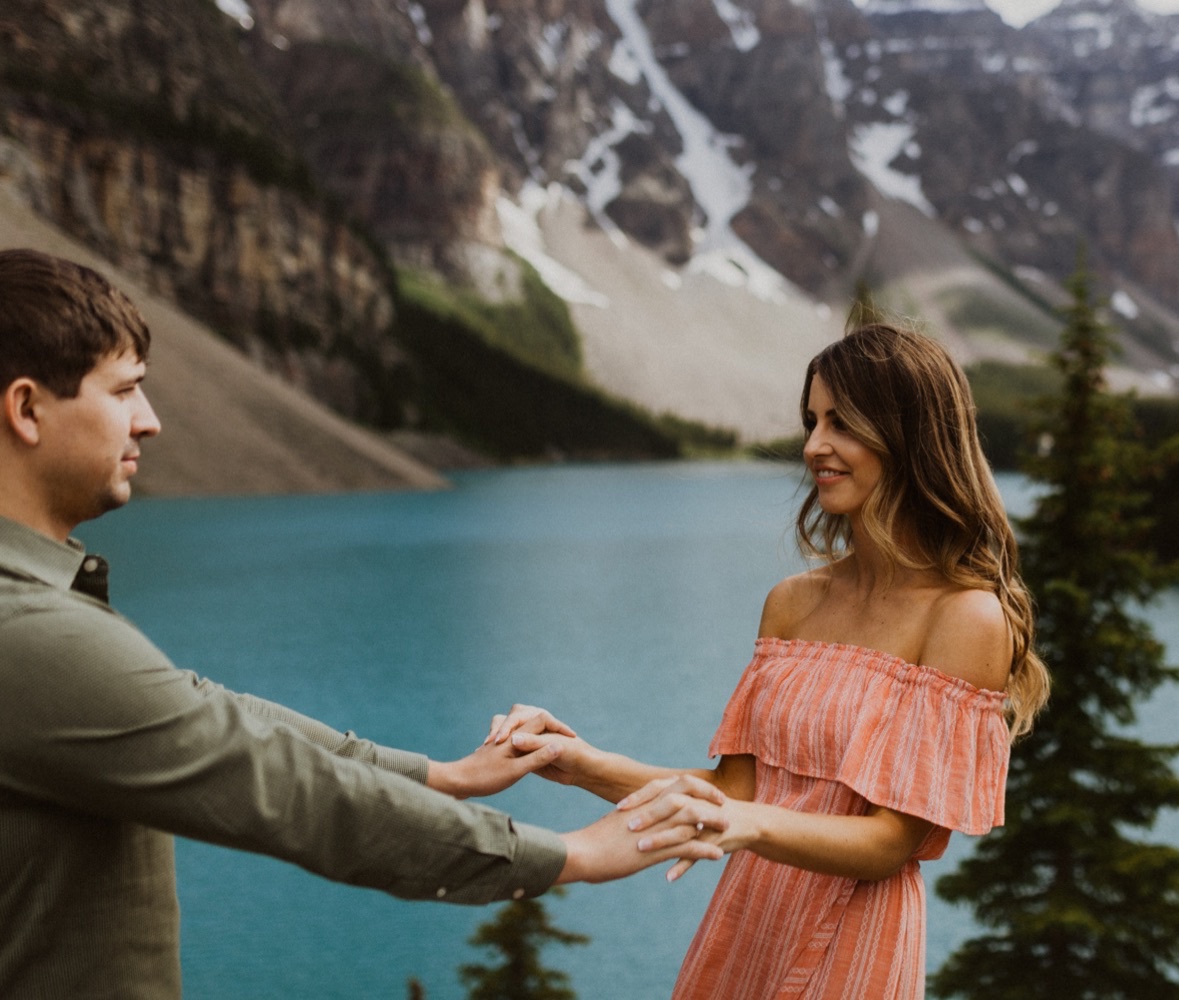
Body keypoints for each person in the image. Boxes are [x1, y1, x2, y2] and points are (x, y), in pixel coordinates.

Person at [0, 247, 727, 1000]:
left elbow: (207, 713)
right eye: (125, 392)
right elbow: (281, 786)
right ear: (26, 409)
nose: (149, 423)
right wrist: (569, 854)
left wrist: (444, 777)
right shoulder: (22, 629)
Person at [490, 321, 1051, 998]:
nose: (815, 446)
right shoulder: (792, 602)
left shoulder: (964, 617)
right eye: (811, 421)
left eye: (843, 423)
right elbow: (735, 795)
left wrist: (745, 824)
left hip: (853, 935)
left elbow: (888, 843)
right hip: (748, 916)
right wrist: (579, 761)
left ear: (909, 438)